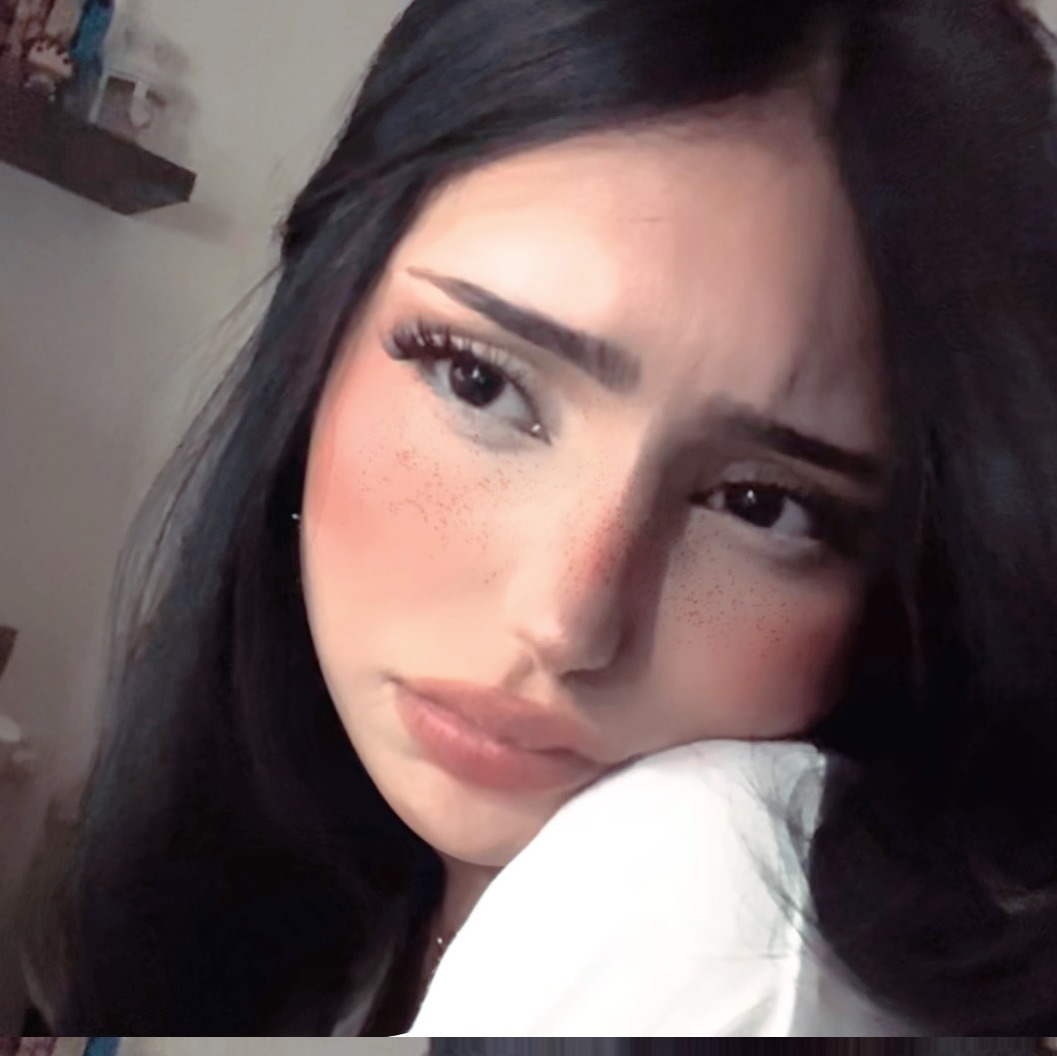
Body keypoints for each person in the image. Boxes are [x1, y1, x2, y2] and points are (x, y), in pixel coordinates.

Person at [19, 0, 1057, 1037]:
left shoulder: (724, 897)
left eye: (761, 504)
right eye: (480, 382)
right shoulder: (300, 894)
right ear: (320, 329)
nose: (566, 621)